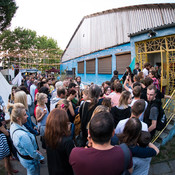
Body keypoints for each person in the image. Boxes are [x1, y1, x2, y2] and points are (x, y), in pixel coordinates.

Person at [9, 103, 44, 175]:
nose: (27, 116)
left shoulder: (13, 125)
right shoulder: (22, 136)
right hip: (30, 161)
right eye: (25, 115)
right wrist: (39, 156)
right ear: (18, 118)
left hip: (23, 157)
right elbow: (32, 154)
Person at [45, 109, 75, 175]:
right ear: (63, 123)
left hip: (52, 169)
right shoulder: (67, 141)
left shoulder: (47, 135)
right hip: (65, 171)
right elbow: (73, 159)